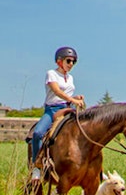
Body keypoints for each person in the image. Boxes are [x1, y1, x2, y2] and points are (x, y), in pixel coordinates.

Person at [30, 46, 86, 180]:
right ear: (59, 61)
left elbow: (66, 94)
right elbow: (57, 91)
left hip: (67, 109)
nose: (71, 64)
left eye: (74, 62)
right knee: (38, 133)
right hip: (52, 110)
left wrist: (76, 98)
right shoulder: (51, 74)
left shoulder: (70, 78)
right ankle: (37, 167)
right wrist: (72, 99)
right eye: (68, 61)